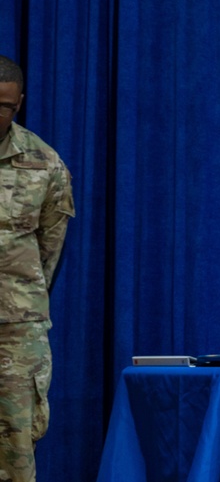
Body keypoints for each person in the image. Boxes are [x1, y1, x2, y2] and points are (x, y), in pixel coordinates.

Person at [0, 55, 75, 482]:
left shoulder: (43, 165)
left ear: (20, 103)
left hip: (15, 332)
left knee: (16, 445)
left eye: (4, 106)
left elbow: (51, 250)